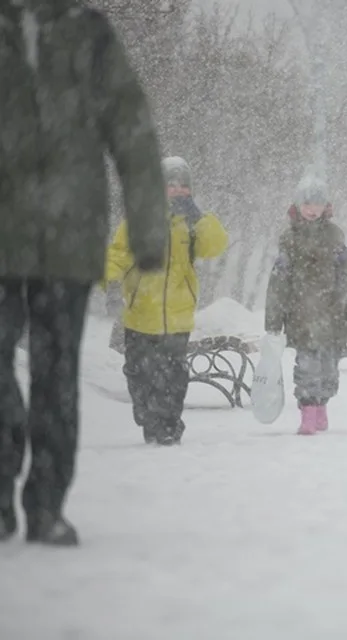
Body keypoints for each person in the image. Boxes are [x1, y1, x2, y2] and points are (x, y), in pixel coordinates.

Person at [0, 0, 168, 545]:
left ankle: (46, 504)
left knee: (55, 377)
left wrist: (148, 228)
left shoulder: (89, 33)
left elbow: (133, 132)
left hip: (67, 242)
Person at [105, 156, 228, 445]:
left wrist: (198, 217)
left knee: (173, 377)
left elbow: (217, 245)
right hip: (140, 314)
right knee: (139, 374)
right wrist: (105, 279)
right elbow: (118, 254)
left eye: (183, 186)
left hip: (178, 316)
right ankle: (148, 416)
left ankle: (169, 425)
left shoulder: (192, 224)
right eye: (170, 185)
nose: (177, 191)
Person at [264, 178, 347, 434]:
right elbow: (279, 282)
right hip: (301, 316)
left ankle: (322, 406)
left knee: (329, 370)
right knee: (307, 367)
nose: (312, 209)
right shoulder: (290, 240)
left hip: (333, 317)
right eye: (307, 203)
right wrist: (274, 320)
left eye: (318, 203)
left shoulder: (335, 238)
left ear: (326, 206)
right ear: (298, 205)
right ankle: (308, 412)